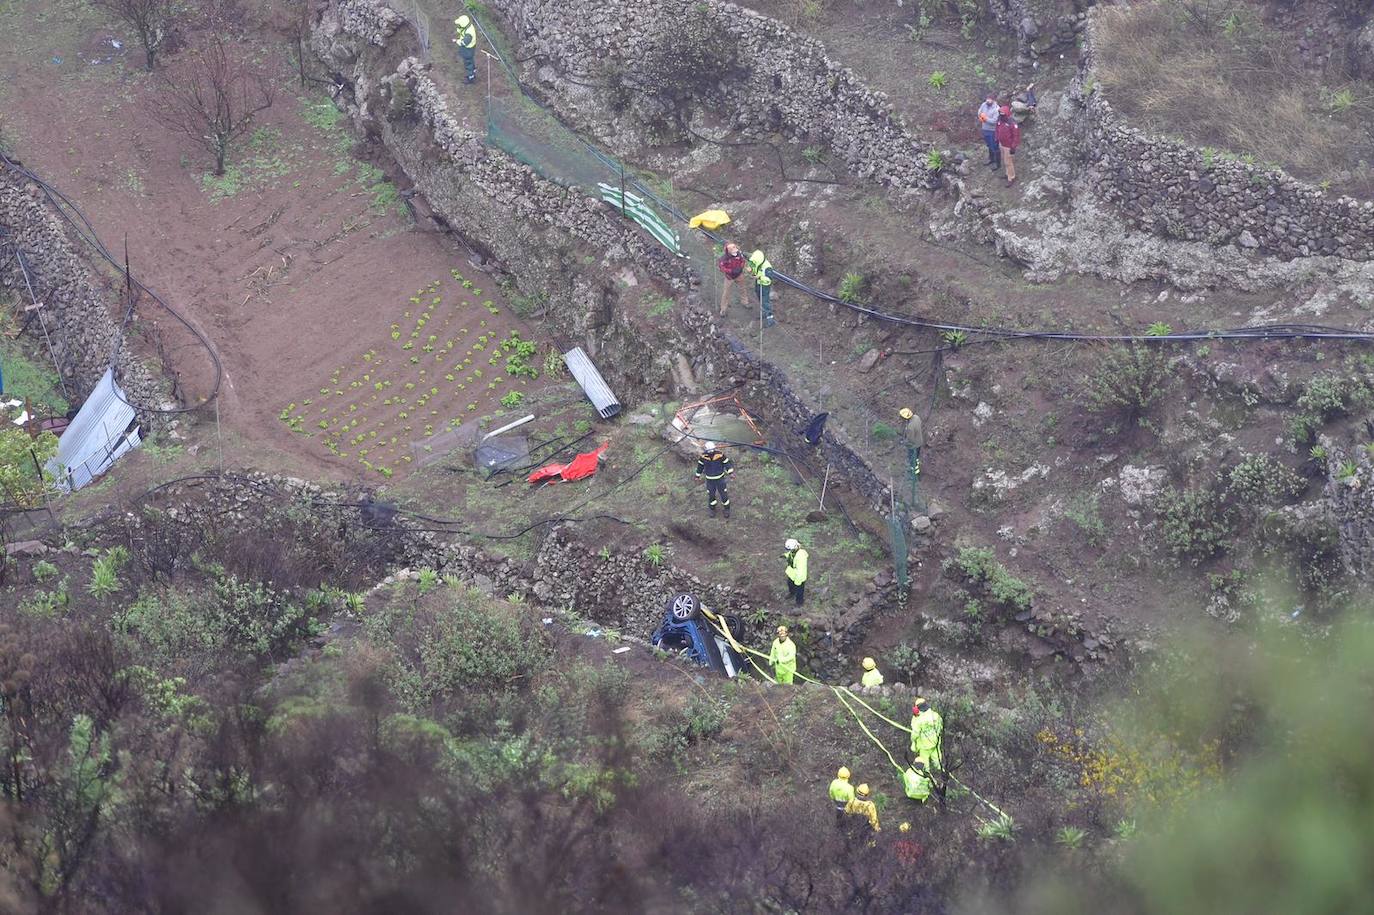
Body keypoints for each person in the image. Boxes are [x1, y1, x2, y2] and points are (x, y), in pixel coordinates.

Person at [694, 440, 733, 518]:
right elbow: (700, 467)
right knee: (711, 496)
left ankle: (727, 509)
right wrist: (697, 476)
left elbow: (727, 464)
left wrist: (731, 473)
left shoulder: (720, 455)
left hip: (720, 480)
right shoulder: (703, 457)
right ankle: (712, 509)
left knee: (724, 495)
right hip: (710, 481)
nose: (710, 452)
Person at [909, 698, 944, 771]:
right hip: (935, 742)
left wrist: (913, 741)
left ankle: (927, 774)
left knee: (925, 762)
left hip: (924, 746)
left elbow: (915, 734)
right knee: (937, 759)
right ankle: (940, 770)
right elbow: (940, 726)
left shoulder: (919, 720)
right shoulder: (935, 715)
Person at [717, 242, 748, 317]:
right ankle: (723, 309)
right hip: (729, 277)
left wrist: (740, 268)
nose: (735, 249)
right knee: (726, 293)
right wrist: (731, 271)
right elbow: (721, 267)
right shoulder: (724, 259)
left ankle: (745, 302)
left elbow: (743, 261)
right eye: (732, 248)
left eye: (735, 247)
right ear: (728, 251)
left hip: (739, 275)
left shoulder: (739, 254)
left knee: (743, 289)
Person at [899, 406, 923, 505]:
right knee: (916, 458)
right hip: (920, 442)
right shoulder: (917, 417)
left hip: (914, 446)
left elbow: (910, 440)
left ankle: (914, 475)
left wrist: (904, 442)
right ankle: (917, 471)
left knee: (912, 460)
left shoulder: (909, 428)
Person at [747, 250, 776, 327]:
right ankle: (764, 312)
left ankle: (770, 319)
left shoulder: (767, 268)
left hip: (764, 285)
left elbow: (769, 280)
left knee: (765, 301)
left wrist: (759, 277)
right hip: (758, 282)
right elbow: (753, 266)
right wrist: (751, 269)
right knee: (758, 295)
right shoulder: (756, 261)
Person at [995, 104, 1021, 186]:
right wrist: (996, 138)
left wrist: (1013, 147)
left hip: (1008, 146)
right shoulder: (999, 120)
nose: (1001, 115)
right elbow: (997, 129)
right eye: (1000, 113)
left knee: (1008, 162)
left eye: (1003, 114)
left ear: (1007, 114)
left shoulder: (1012, 123)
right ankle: (1007, 174)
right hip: (1001, 144)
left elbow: (1016, 136)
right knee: (1005, 161)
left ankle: (1011, 177)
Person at [976, 93, 1001, 169]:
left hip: (993, 130)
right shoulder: (984, 104)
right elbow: (979, 111)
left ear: (993, 100)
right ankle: (991, 159)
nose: (988, 100)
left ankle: (998, 164)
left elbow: (994, 121)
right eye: (987, 99)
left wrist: (985, 119)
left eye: (990, 99)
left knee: (995, 146)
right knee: (989, 145)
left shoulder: (997, 109)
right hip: (985, 129)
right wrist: (980, 116)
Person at [453, 15, 478, 84]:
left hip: (468, 50)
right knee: (470, 60)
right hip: (470, 49)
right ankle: (473, 71)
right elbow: (462, 31)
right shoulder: (469, 27)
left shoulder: (469, 34)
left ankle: (470, 78)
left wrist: (456, 41)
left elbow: (464, 43)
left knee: (468, 63)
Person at [783, 538, 808, 606]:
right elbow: (791, 555)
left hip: (799, 577)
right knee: (790, 584)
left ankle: (799, 602)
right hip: (792, 573)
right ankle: (792, 593)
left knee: (799, 590)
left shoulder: (801, 557)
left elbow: (801, 570)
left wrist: (798, 581)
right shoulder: (794, 551)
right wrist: (785, 555)